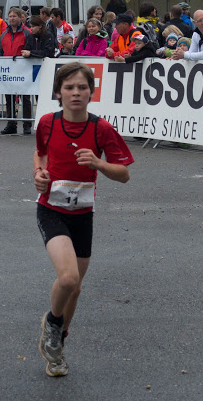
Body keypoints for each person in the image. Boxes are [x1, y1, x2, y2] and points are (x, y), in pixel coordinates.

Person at [34, 61, 134, 377]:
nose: (75, 93)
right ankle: (52, 322)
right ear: (58, 93)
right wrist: (38, 173)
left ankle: (57, 344)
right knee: (68, 279)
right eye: (69, 87)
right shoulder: (47, 123)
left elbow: (124, 175)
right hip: (51, 210)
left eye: (82, 87)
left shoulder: (100, 129)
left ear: (91, 92)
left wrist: (98, 164)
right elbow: (40, 153)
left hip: (83, 215)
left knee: (75, 290)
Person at [0, 7, 33, 136]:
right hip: (8, 71)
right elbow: (0, 51)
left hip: (23, 71)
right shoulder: (4, 34)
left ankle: (27, 124)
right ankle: (11, 124)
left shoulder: (27, 33)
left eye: (14, 16)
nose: (12, 19)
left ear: (20, 18)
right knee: (9, 98)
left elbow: (30, 49)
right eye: (10, 16)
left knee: (25, 98)